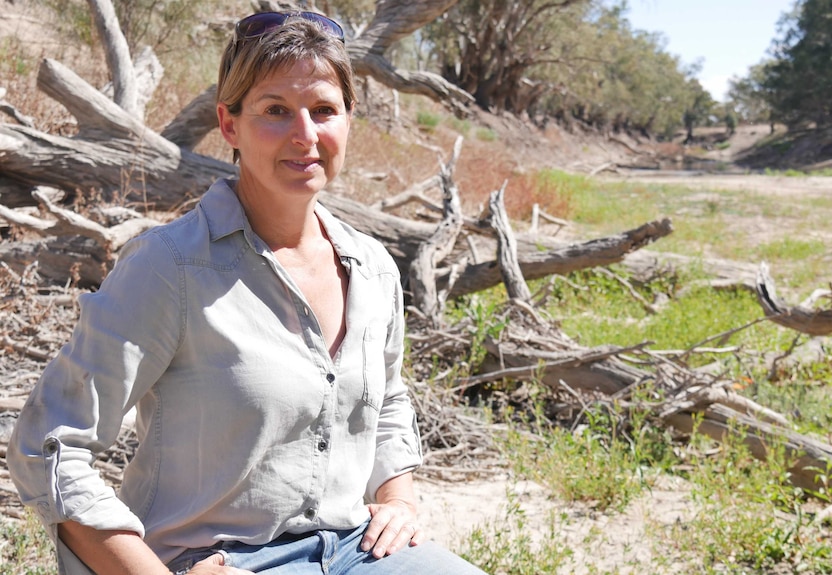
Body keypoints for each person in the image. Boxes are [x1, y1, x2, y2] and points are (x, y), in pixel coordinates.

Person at [8, 11, 486, 575]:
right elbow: (48, 446)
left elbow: (389, 403)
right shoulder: (171, 267)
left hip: (356, 550)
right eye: (275, 111)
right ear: (229, 125)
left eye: (324, 111)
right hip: (210, 560)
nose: (305, 135)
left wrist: (400, 499)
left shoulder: (373, 269)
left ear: (349, 121)